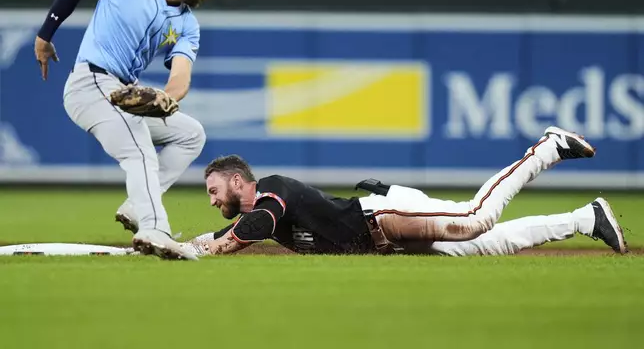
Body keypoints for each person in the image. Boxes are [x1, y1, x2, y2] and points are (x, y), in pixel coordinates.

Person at [33, 0, 234, 260]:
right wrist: (44, 35)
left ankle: (135, 207)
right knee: (139, 151)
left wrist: (166, 98)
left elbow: (181, 76)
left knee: (191, 134)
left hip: (122, 92)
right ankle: (154, 229)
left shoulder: (187, 23)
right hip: (91, 84)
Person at [178, 126, 628, 256]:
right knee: (494, 243)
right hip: (392, 240)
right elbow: (240, 230)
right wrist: (185, 247)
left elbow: (251, 227)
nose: (213, 200)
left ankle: (549, 148)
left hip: (383, 219)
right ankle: (586, 218)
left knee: (476, 219)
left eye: (215, 190)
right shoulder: (258, 213)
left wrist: (206, 248)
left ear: (238, 180)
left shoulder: (270, 192)